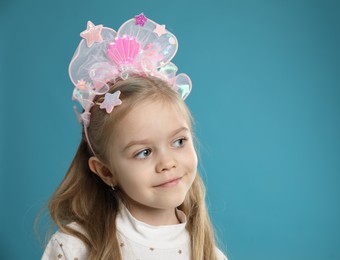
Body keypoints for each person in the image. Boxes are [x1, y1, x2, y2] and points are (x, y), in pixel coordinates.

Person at [41, 13, 227, 260]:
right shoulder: (75, 248)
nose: (168, 163)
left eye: (179, 141)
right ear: (106, 171)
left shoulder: (208, 254)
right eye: (144, 152)